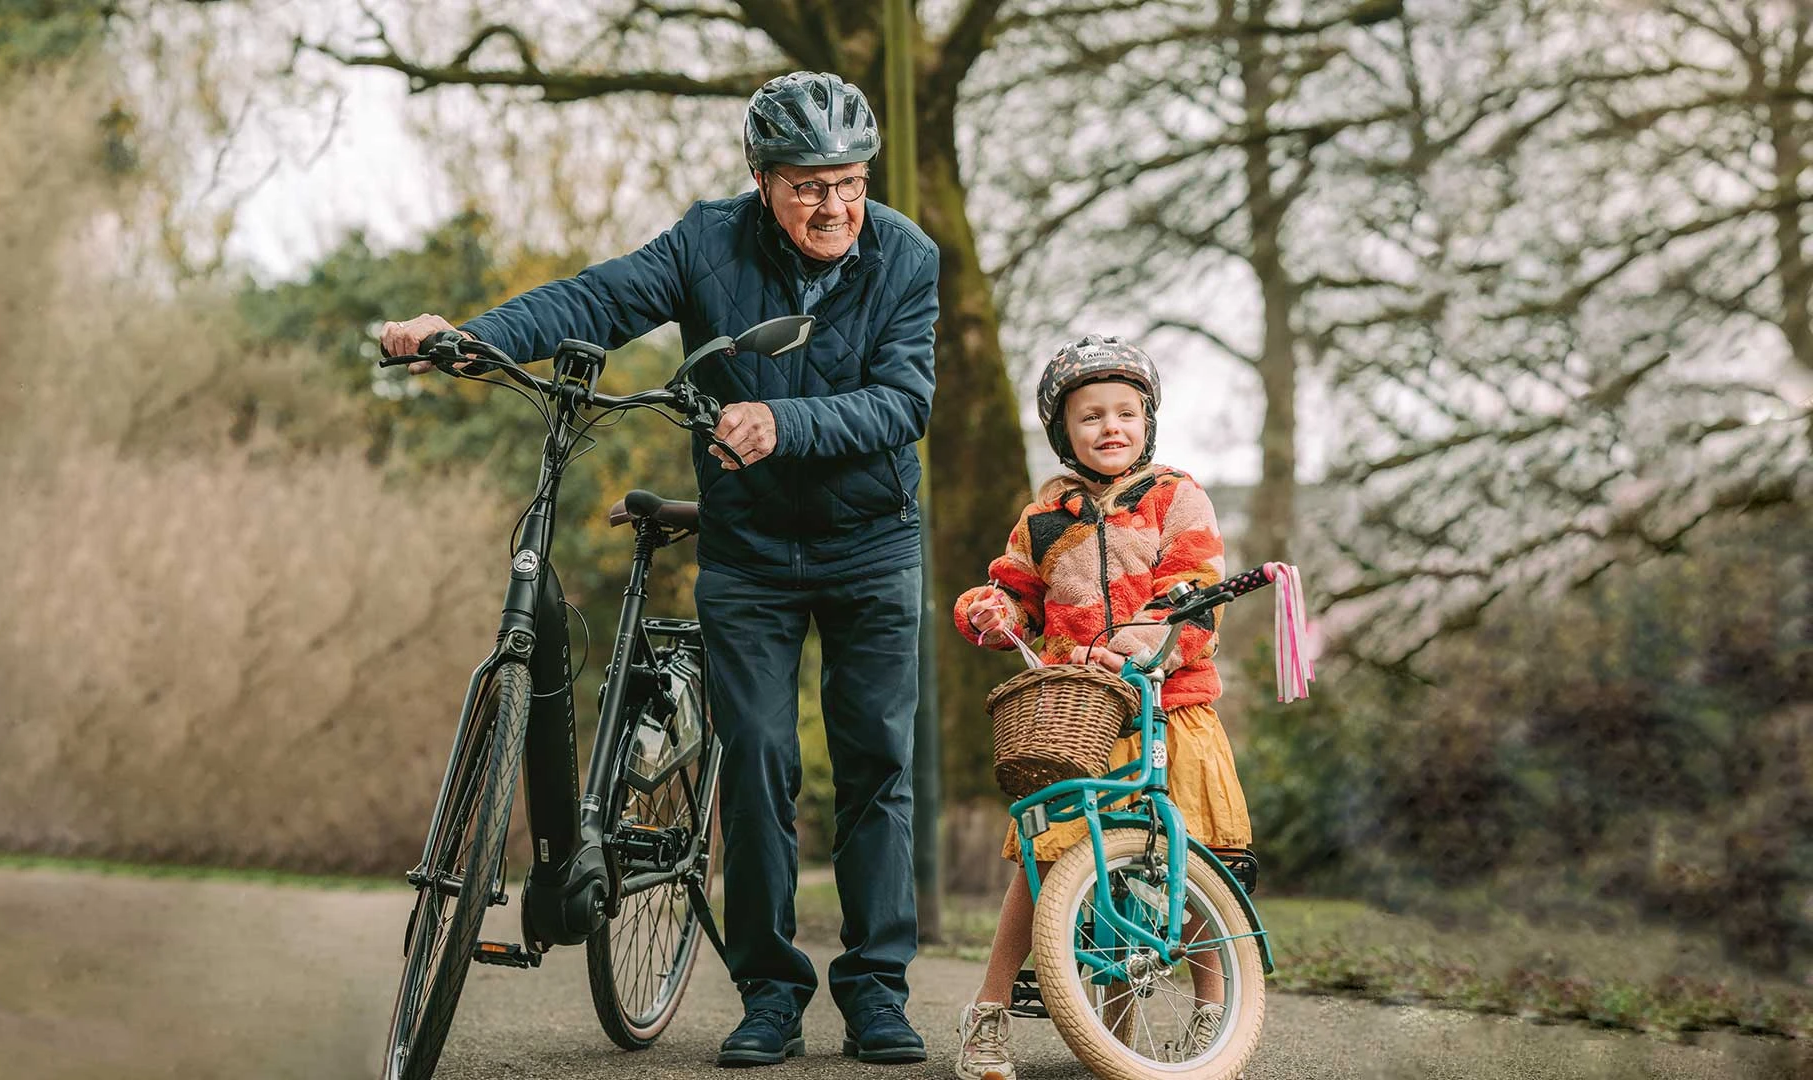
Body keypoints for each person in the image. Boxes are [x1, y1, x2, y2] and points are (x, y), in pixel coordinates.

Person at [380, 71, 936, 1068]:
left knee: (876, 768)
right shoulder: (706, 243)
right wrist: (471, 338)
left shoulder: (906, 258)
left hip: (871, 546)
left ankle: (876, 993)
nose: (835, 206)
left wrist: (782, 420)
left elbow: (904, 401)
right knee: (760, 760)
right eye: (809, 185)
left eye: (850, 182)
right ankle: (769, 991)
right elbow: (600, 296)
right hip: (752, 552)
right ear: (761, 180)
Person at [948, 335, 1254, 1080]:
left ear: (1148, 420)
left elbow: (1193, 589)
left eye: (1126, 412)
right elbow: (1016, 592)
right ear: (1064, 431)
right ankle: (992, 1016)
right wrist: (990, 610)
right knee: (1045, 858)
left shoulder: (1176, 494)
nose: (1111, 427)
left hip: (1170, 705)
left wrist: (1150, 642)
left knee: (1188, 859)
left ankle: (1215, 1011)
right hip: (1082, 717)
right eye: (1091, 417)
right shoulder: (1044, 515)